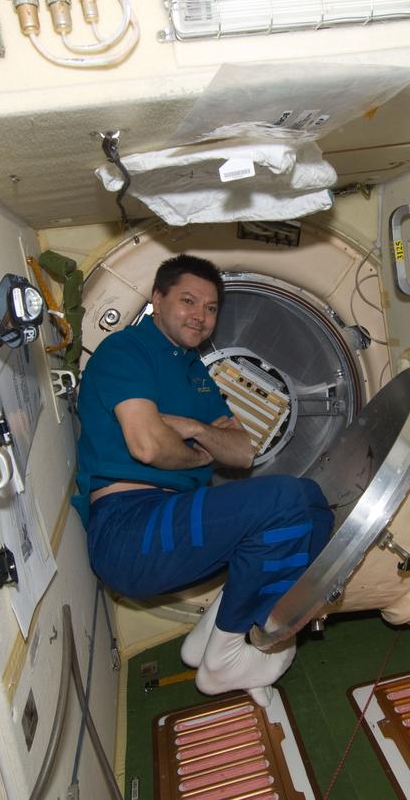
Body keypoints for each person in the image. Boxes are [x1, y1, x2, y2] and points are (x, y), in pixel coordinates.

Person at [72, 255, 334, 706]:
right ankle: (223, 660)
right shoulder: (125, 350)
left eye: (211, 308)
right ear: (157, 300)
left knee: (313, 504)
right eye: (188, 301)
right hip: (129, 532)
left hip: (168, 521)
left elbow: (244, 451)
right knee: (286, 500)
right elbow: (148, 446)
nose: (200, 315)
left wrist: (193, 429)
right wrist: (199, 456)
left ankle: (210, 634)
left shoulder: (196, 373)